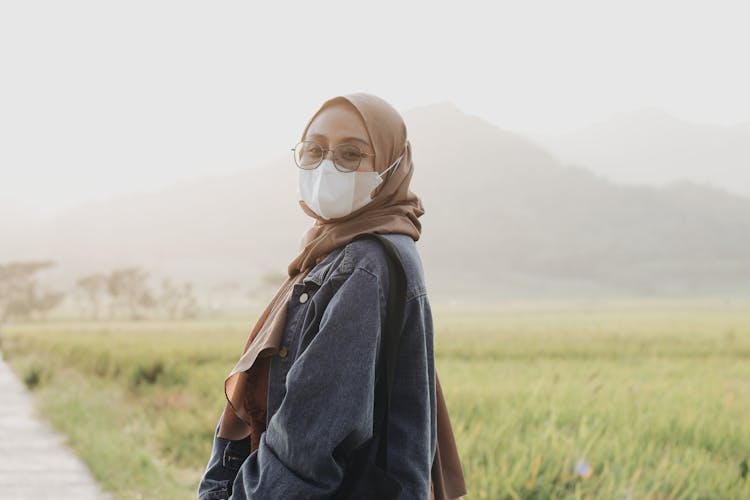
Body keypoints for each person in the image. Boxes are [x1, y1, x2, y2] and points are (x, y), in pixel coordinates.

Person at [197, 93, 467, 499]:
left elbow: (306, 444)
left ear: (392, 166)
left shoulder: (363, 264)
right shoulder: (349, 248)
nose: (327, 166)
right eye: (314, 150)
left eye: (351, 154)